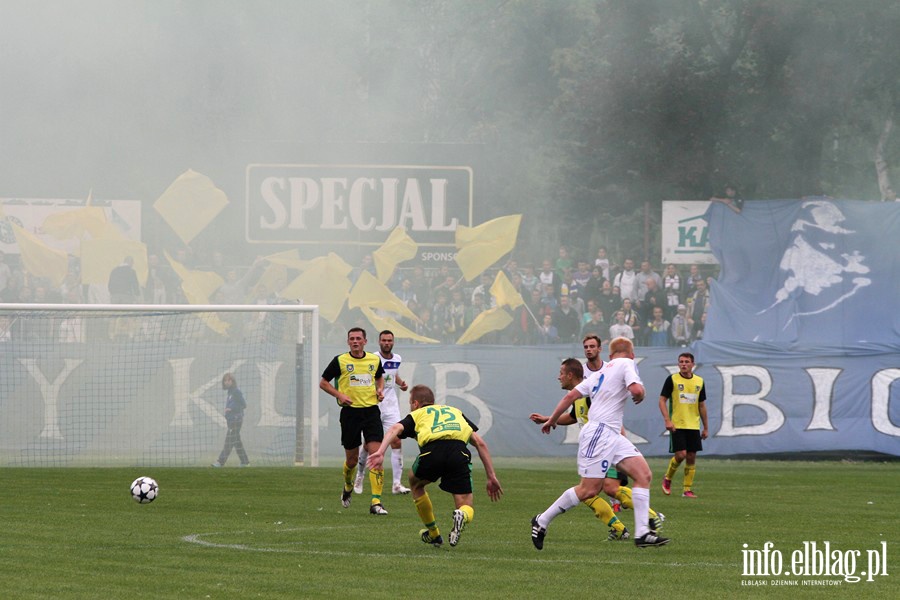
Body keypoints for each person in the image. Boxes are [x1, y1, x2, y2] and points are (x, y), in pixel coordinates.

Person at [531, 337, 669, 549]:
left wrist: (551, 420)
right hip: (600, 432)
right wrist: (640, 393)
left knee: (643, 475)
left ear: (610, 355)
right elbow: (636, 390)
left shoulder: (598, 375)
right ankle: (542, 520)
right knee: (589, 490)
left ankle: (642, 533)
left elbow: (570, 398)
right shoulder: (626, 363)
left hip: (612, 435)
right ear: (631, 354)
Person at [366, 384, 503, 547]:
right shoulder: (455, 411)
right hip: (458, 452)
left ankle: (433, 533)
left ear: (415, 403)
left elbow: (395, 428)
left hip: (432, 452)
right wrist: (491, 476)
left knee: (415, 483)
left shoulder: (418, 414)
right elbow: (480, 443)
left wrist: (381, 451)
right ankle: (461, 515)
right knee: (465, 503)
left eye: (411, 403)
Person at [319, 327, 388, 515]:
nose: (355, 341)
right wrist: (339, 394)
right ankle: (348, 485)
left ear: (365, 341)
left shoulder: (374, 360)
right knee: (352, 460)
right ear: (348, 341)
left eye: (358, 338)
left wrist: (379, 390)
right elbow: (323, 382)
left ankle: (376, 502)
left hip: (371, 412)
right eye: (352, 339)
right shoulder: (340, 360)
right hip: (350, 414)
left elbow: (379, 377)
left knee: (376, 457)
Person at [355, 330, 411, 496]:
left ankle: (396, 484)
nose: (387, 343)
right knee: (369, 443)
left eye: (389, 340)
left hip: (391, 405)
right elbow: (367, 378)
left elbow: (393, 376)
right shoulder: (372, 358)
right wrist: (376, 391)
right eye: (384, 340)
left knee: (397, 441)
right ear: (379, 342)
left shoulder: (397, 359)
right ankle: (360, 475)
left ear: (393, 342)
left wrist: (401, 383)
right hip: (374, 404)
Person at [658, 352, 708, 498]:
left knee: (691, 456)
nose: (683, 364)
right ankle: (667, 478)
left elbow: (702, 405)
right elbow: (662, 400)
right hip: (677, 424)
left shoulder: (699, 381)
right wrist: (667, 420)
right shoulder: (672, 379)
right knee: (681, 454)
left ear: (693, 364)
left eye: (687, 362)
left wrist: (705, 427)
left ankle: (687, 490)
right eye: (681, 362)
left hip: (693, 424)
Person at [212, 373, 250, 467]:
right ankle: (245, 462)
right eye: (225, 380)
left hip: (236, 420)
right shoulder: (230, 392)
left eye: (228, 380)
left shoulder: (236, 391)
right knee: (237, 442)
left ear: (232, 381)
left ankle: (220, 462)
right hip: (231, 420)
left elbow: (244, 405)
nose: (226, 382)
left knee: (228, 441)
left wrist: (231, 409)